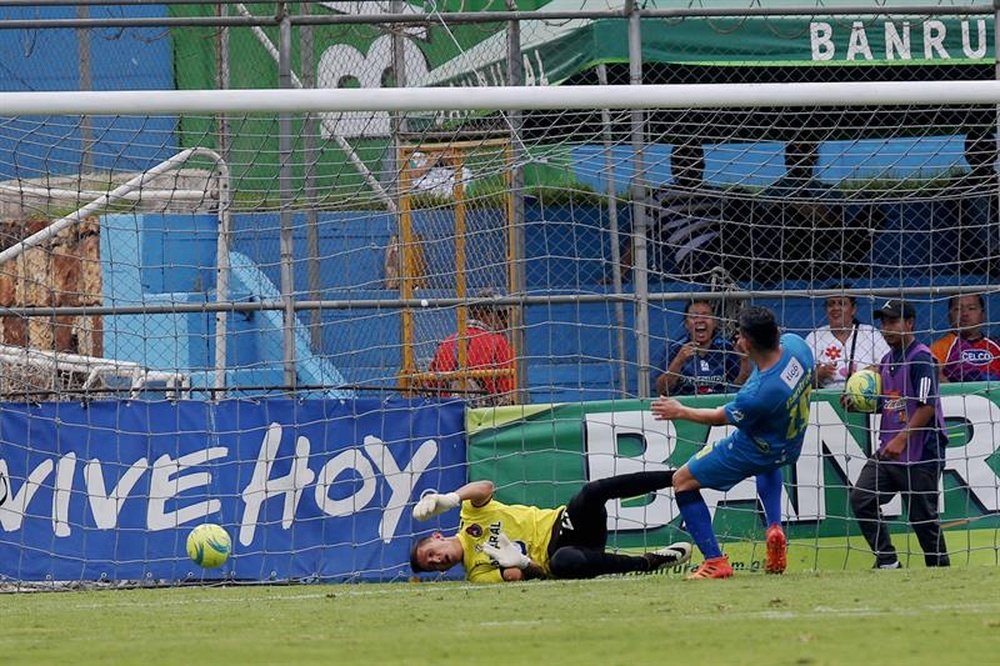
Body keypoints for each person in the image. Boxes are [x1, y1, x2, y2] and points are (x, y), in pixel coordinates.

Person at [651, 306, 814, 579]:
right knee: (770, 458)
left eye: (739, 335)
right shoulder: (798, 346)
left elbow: (717, 417)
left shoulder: (757, 394)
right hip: (790, 442)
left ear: (746, 343)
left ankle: (715, 561)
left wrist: (680, 411)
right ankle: (775, 526)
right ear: (776, 333)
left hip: (752, 448)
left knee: (682, 481)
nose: (736, 339)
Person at [409, 474, 693, 583]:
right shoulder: (478, 573)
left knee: (592, 492)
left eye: (431, 553)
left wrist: (450, 499)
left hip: (565, 524)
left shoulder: (470, 517)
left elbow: (485, 487)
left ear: (437, 536)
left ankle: (678, 476)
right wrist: (519, 564)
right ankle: (649, 562)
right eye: (433, 565)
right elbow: (521, 575)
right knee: (562, 561)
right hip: (561, 558)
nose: (436, 560)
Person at [847, 298, 951, 569]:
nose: (887, 328)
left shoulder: (922, 358)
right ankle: (888, 561)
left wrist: (902, 438)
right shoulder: (886, 361)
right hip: (890, 450)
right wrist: (857, 404)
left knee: (922, 518)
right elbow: (889, 403)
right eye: (884, 322)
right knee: (861, 498)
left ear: (910, 323)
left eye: (893, 322)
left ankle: (940, 570)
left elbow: (927, 405)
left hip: (921, 452)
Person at [427, 292, 515, 404]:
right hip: (485, 415)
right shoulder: (498, 342)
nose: (505, 322)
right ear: (481, 314)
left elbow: (432, 385)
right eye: (501, 315)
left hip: (447, 411)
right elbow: (509, 390)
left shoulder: (447, 342)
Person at [652, 299, 748, 396]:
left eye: (705, 315)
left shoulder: (726, 348)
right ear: (686, 324)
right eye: (694, 316)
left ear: (715, 322)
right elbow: (661, 390)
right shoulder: (675, 348)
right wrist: (678, 361)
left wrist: (744, 359)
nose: (700, 320)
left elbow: (740, 386)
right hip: (684, 405)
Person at [805, 290, 890, 389]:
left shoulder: (869, 332)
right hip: (825, 396)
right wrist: (818, 374)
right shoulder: (815, 336)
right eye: (831, 304)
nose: (835, 308)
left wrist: (867, 373)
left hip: (864, 391)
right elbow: (802, 379)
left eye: (842, 303)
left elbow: (887, 365)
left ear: (853, 309)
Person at [930, 294, 1000, 383]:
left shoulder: (996, 346)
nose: (965, 314)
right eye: (958, 309)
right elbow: (934, 377)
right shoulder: (939, 348)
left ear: (983, 315)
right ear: (949, 316)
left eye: (971, 308)